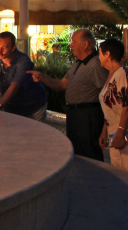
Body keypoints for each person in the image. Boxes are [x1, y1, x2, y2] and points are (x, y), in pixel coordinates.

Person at [30, 29, 109, 161]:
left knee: (89, 153)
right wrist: (43, 78)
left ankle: (94, 180)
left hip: (88, 115)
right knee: (77, 152)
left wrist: (106, 125)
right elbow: (61, 85)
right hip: (74, 115)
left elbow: (107, 93)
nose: (71, 45)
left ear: (86, 44)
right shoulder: (77, 63)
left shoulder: (96, 64)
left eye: (73, 42)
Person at [97, 39, 128, 176]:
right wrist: (104, 131)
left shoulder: (122, 73)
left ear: (107, 54)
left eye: (100, 53)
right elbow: (111, 108)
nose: (98, 57)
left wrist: (120, 134)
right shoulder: (111, 75)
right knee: (119, 173)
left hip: (127, 131)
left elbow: (127, 106)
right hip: (116, 131)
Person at [0, 32, 47, 120]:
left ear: (13, 48)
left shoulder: (23, 60)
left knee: (33, 133)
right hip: (12, 106)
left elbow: (15, 86)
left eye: (4, 47)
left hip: (33, 106)